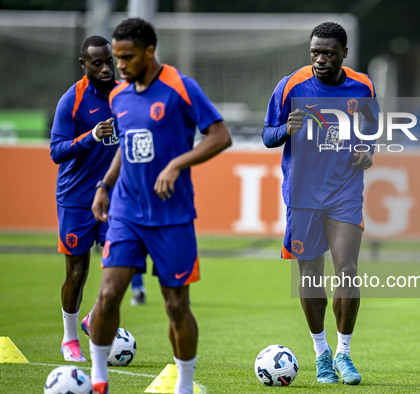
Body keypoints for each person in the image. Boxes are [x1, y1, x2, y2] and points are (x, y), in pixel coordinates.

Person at [89, 18, 232, 394]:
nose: (119, 65)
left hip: (172, 215)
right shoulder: (119, 96)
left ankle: (184, 385)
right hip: (126, 211)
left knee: (175, 305)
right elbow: (126, 145)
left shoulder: (181, 87)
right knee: (107, 293)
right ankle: (97, 379)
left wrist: (176, 163)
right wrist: (105, 185)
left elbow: (220, 136)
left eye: (127, 57)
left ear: (149, 52)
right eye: (116, 57)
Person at [262, 22, 378, 385]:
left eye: (328, 53)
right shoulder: (290, 86)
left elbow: (372, 128)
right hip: (303, 195)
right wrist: (285, 131)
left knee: (347, 269)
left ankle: (344, 354)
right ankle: (321, 354)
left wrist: (367, 150)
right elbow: (268, 135)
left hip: (345, 191)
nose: (320, 59)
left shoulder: (363, 86)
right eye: (315, 52)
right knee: (311, 276)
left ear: (344, 53)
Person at [50, 35, 120, 363]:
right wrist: (91, 136)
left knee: (123, 265)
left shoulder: (126, 94)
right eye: (98, 63)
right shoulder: (72, 101)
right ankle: (69, 337)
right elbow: (56, 151)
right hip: (76, 198)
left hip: (114, 199)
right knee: (77, 272)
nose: (106, 68)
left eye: (110, 61)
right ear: (84, 65)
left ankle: (94, 318)